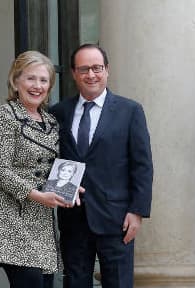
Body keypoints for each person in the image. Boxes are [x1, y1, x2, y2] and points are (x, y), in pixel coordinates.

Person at [50, 43, 153, 288]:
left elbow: (142, 165)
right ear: (74, 73)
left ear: (107, 70)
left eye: (97, 68)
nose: (91, 75)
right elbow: (53, 159)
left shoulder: (130, 111)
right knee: (75, 282)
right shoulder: (58, 113)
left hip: (117, 217)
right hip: (73, 215)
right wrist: (61, 190)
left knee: (118, 282)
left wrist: (137, 212)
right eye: (84, 69)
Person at [0, 50, 70, 288]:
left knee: (43, 282)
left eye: (43, 80)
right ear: (16, 81)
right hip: (8, 212)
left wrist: (70, 187)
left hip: (40, 217)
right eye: (30, 78)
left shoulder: (51, 121)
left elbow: (52, 167)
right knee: (29, 282)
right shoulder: (6, 114)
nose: (37, 86)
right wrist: (38, 195)